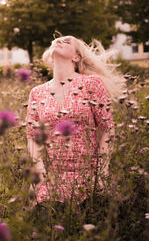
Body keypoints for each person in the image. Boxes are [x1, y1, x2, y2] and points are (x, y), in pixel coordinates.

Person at [26, 35, 126, 207]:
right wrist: (38, 169)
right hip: (53, 177)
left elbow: (107, 129)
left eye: (67, 41)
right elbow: (32, 136)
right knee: (45, 223)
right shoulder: (37, 92)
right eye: (56, 40)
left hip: (89, 176)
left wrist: (101, 173)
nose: (59, 41)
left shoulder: (92, 83)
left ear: (76, 57)